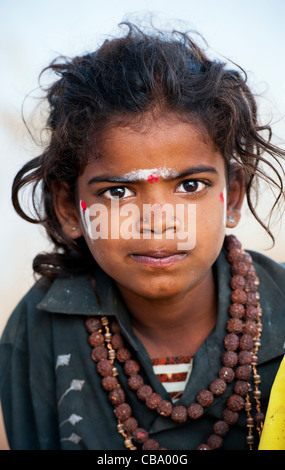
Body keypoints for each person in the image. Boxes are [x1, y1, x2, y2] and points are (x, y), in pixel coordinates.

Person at [0, 22, 285, 451]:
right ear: (68, 208)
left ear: (232, 199)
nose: (156, 220)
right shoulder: (37, 330)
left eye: (190, 186)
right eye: (118, 192)